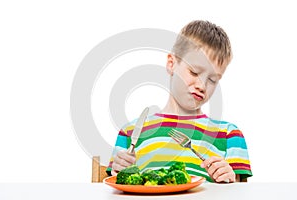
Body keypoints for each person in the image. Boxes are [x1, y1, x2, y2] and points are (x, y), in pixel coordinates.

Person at [106, 20, 252, 183]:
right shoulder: (130, 132)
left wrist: (229, 179)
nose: (202, 86)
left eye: (212, 80)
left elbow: (239, 192)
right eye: (194, 72)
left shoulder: (229, 135)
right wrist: (119, 172)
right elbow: (115, 186)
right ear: (171, 64)